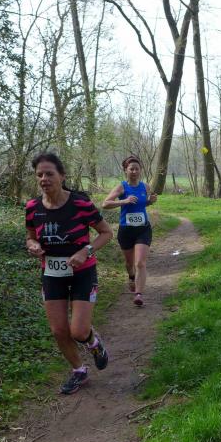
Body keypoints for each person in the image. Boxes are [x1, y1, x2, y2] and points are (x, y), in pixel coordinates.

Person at [25, 152, 113, 395]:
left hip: (82, 272)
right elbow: (30, 236)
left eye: (49, 174)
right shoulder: (32, 208)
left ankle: (94, 343)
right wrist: (32, 245)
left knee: (79, 331)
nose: (44, 179)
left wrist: (86, 251)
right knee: (59, 330)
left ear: (62, 176)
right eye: (39, 175)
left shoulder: (80, 204)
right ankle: (79, 371)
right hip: (52, 274)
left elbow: (106, 233)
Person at [102, 155, 157, 307]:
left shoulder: (145, 187)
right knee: (129, 263)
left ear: (140, 170)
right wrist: (124, 201)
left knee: (140, 263)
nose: (134, 172)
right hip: (126, 230)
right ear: (126, 170)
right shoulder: (122, 187)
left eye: (137, 169)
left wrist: (150, 202)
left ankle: (138, 294)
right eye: (131, 169)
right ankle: (131, 277)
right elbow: (105, 204)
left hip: (143, 229)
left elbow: (142, 204)